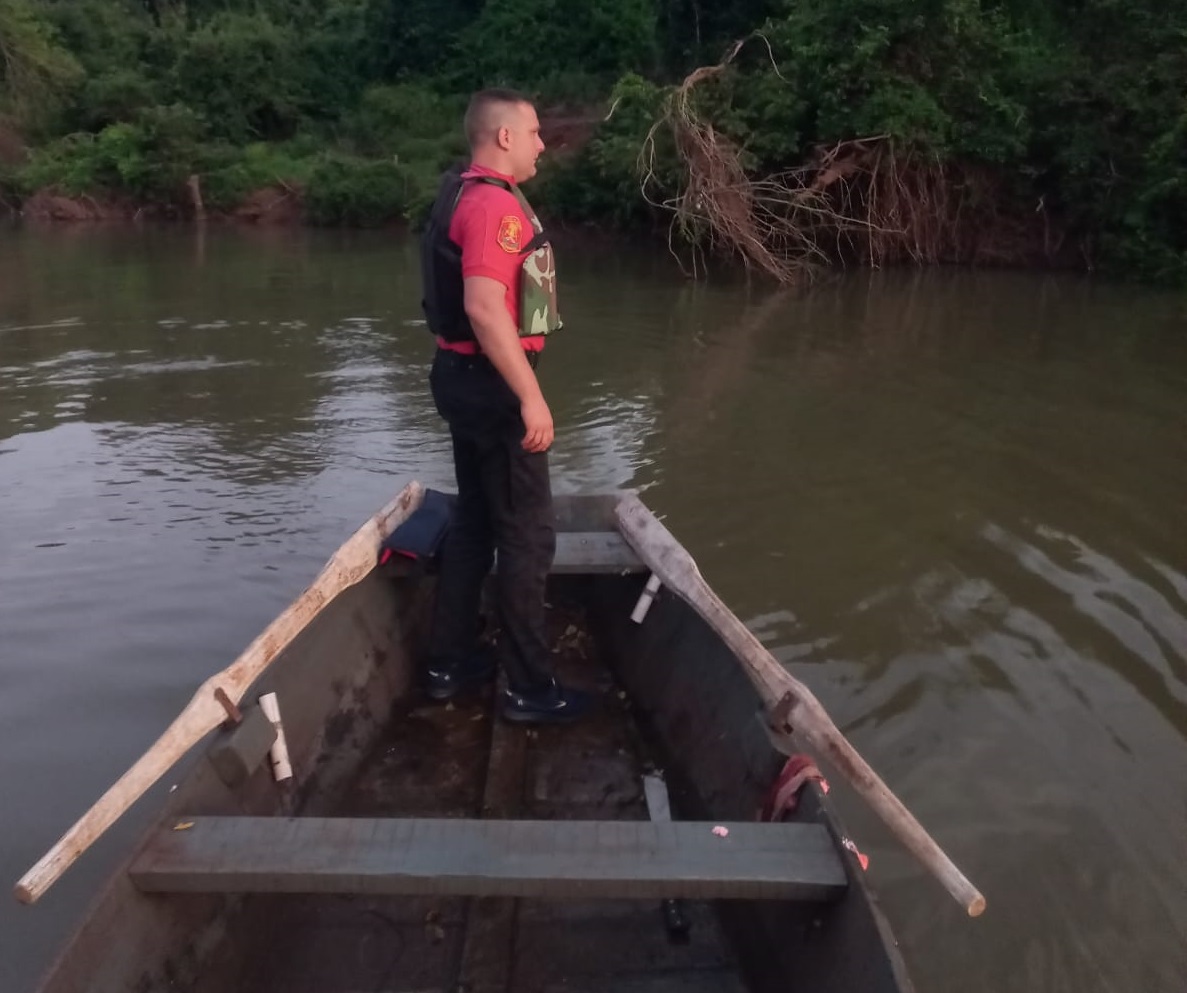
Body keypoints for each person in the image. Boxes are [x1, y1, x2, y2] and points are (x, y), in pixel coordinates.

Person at [418, 89, 590, 724]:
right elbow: (486, 307)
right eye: (536, 132)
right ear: (506, 138)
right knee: (527, 536)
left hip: (459, 377)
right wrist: (531, 397)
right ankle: (529, 689)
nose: (544, 143)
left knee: (475, 522)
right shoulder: (495, 208)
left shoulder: (459, 191)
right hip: (492, 384)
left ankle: (448, 662)